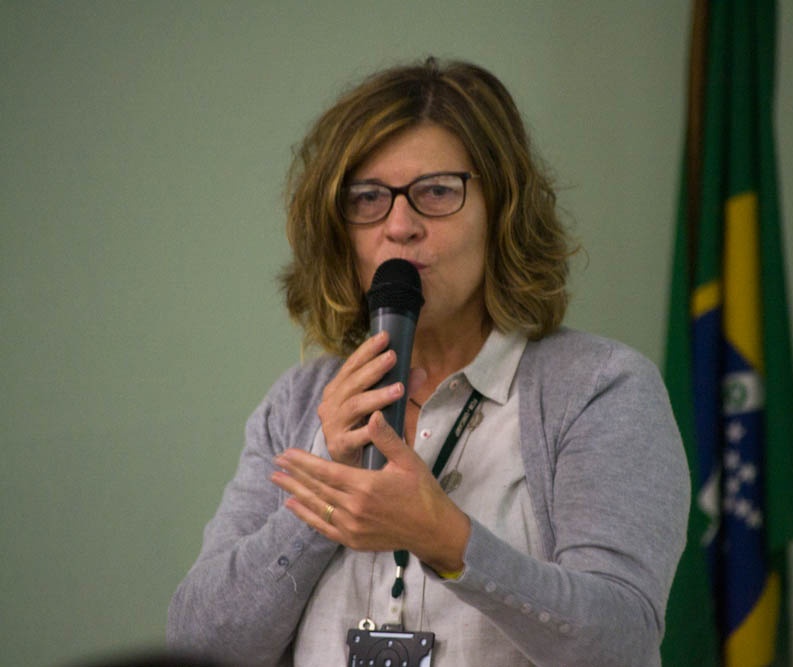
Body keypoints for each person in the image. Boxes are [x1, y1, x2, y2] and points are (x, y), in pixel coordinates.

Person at [167, 57, 689, 667]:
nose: (400, 226)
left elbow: (622, 641)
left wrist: (447, 540)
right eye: (367, 199)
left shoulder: (599, 389)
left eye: (436, 192)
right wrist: (318, 496)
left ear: (502, 209)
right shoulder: (298, 403)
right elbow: (199, 646)